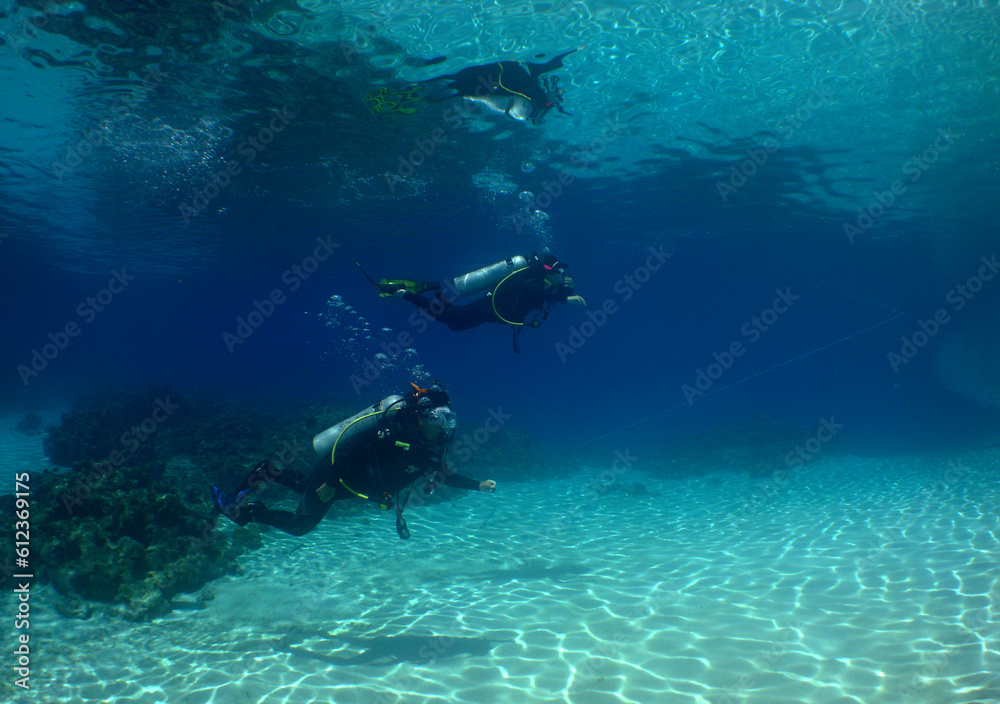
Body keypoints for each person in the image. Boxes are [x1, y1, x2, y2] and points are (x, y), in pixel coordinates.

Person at [211, 382, 496, 539]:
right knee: (301, 526)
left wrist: (479, 485)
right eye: (439, 417)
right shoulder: (395, 431)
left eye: (449, 418)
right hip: (338, 475)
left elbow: (444, 475)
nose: (445, 425)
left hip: (351, 486)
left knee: (308, 489)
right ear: (423, 414)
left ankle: (269, 472)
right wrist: (332, 483)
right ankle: (250, 511)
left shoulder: (431, 448)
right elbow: (350, 447)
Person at [363, 253, 586, 352]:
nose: (561, 275)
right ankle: (403, 293)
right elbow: (536, 294)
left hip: (494, 313)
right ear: (547, 271)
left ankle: (438, 293)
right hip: (491, 308)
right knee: (446, 318)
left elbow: (547, 294)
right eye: (558, 271)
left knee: (454, 324)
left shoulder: (544, 282)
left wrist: (566, 289)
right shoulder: (532, 280)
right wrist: (566, 297)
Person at [417, 48, 579, 125]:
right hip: (501, 83)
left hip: (495, 84)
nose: (559, 92)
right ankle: (427, 88)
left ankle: (425, 88)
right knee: (456, 83)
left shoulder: (525, 108)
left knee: (455, 82)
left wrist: (469, 96)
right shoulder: (534, 102)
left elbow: (490, 100)